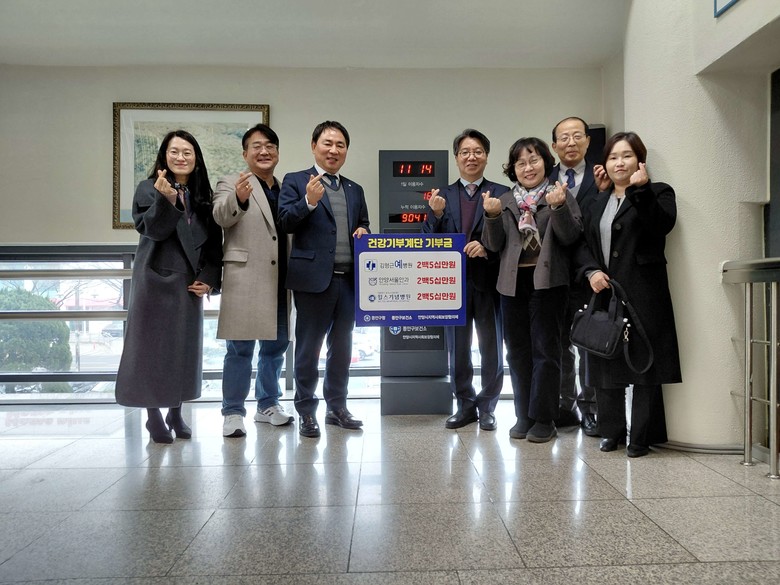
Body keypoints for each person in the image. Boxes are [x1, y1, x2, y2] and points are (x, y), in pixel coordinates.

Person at [575, 131, 681, 457]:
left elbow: (660, 226)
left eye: (627, 156)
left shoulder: (658, 192)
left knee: (645, 366)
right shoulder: (596, 200)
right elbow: (581, 244)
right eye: (613, 157)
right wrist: (591, 271)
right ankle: (612, 432)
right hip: (605, 294)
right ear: (605, 163)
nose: (619, 162)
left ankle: (641, 438)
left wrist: (640, 190)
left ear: (639, 160)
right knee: (605, 362)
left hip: (644, 294)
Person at [116, 130, 223, 444]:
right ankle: (153, 416)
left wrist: (210, 278)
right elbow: (153, 229)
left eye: (187, 152)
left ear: (196, 159)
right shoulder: (148, 188)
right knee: (151, 352)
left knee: (182, 350)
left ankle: (176, 411)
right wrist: (167, 200)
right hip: (155, 283)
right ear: (164, 156)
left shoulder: (203, 197)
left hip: (189, 284)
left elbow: (213, 243)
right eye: (174, 151)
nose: (181, 157)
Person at [482, 137, 582, 443]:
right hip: (512, 284)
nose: (528, 168)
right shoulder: (504, 199)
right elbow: (492, 245)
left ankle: (544, 418)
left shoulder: (560, 194)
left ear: (546, 163)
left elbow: (570, 237)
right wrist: (492, 216)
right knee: (517, 352)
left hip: (548, 282)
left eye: (534, 160)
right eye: (521, 163)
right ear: (513, 168)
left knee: (546, 352)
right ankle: (523, 415)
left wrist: (558, 207)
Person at [278, 121, 370, 438]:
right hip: (313, 281)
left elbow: (363, 223)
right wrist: (308, 202)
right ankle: (306, 410)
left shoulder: (354, 189)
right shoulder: (295, 181)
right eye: (327, 143)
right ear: (314, 145)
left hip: (349, 282)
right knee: (308, 350)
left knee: (342, 349)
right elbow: (285, 222)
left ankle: (337, 408)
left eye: (340, 145)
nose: (333, 150)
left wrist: (364, 230)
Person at [422, 129, 509, 431]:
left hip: (489, 281)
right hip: (451, 285)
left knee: (491, 346)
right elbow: (426, 240)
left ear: (486, 156)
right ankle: (465, 405)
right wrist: (435, 215)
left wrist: (486, 247)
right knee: (457, 349)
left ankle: (488, 407)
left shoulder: (502, 193)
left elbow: (510, 240)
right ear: (456, 157)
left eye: (477, 151)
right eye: (465, 152)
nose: (471, 157)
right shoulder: (441, 196)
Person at [213, 123, 294, 438]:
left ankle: (268, 405)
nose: (264, 151)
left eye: (270, 146)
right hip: (245, 279)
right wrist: (239, 197)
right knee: (239, 350)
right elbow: (221, 216)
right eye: (257, 146)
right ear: (245, 153)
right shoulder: (231, 182)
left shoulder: (286, 187)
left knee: (275, 348)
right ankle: (233, 411)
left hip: (281, 280)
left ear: (277, 152)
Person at [549, 116, 600, 436]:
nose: (571, 143)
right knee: (559, 346)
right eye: (564, 138)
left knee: (589, 346)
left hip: (590, 275)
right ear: (554, 146)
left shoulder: (602, 177)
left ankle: (591, 408)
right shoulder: (544, 178)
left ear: (588, 141)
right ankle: (563, 405)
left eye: (577, 136)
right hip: (553, 276)